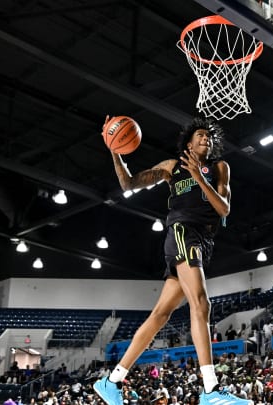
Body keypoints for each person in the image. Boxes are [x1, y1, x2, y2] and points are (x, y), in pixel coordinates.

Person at [94, 117, 245, 405]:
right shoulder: (170, 167)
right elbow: (128, 184)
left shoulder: (219, 168)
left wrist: (200, 178)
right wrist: (115, 150)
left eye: (209, 137)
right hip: (182, 232)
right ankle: (211, 390)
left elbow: (223, 209)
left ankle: (111, 381)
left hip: (204, 239)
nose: (206, 139)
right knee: (201, 304)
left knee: (160, 316)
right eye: (201, 135)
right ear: (189, 143)